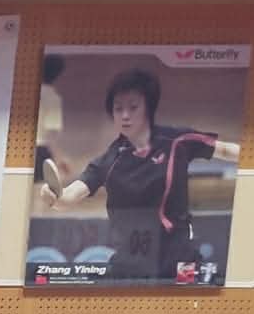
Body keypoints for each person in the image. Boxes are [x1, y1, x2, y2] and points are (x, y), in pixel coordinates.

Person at [40, 67, 242, 282]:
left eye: (133, 107)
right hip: (132, 265)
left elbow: (225, 150)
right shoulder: (110, 159)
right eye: (118, 109)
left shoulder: (176, 141)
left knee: (204, 291)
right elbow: (69, 197)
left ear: (148, 108)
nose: (125, 115)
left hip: (179, 264)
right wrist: (52, 196)